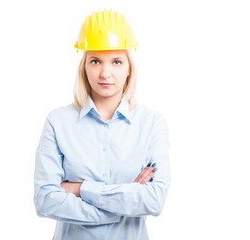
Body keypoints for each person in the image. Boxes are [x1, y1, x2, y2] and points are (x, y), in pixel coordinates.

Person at [33, 9, 170, 239]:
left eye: (116, 61)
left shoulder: (151, 124)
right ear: (84, 67)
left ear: (129, 68)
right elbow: (45, 200)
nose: (105, 73)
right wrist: (121, 205)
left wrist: (78, 189)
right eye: (95, 61)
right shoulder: (58, 122)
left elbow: (154, 200)